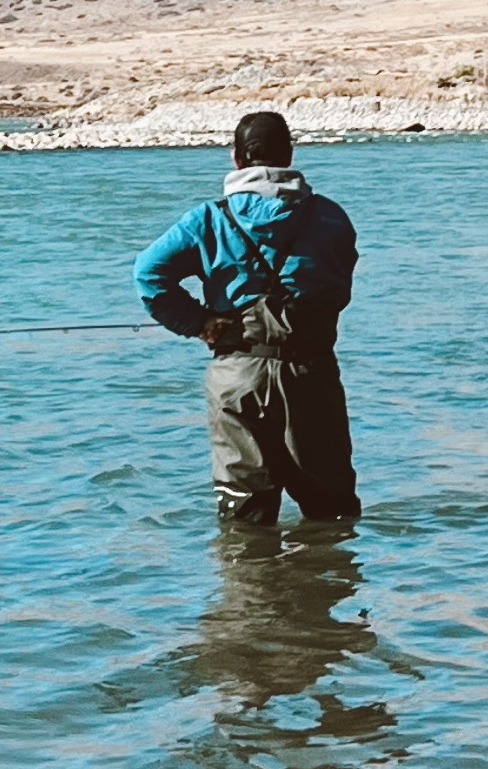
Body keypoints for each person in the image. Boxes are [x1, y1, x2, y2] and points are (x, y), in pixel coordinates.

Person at [134, 110, 362, 523]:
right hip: (310, 376)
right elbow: (339, 287)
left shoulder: (207, 220)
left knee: (244, 520)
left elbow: (148, 275)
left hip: (236, 377)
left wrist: (199, 322)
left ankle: (252, 566)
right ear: (289, 154)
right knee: (332, 514)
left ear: (236, 159)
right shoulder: (331, 217)